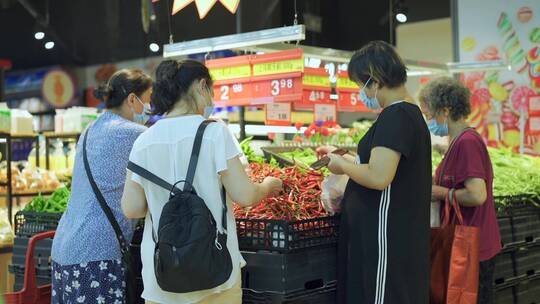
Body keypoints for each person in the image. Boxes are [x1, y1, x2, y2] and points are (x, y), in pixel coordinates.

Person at [120, 59, 283, 304]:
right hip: (215, 273)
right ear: (201, 86)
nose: (211, 100)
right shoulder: (215, 132)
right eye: (211, 91)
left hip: (163, 275)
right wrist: (269, 186)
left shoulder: (144, 140)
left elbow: (131, 208)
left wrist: (160, 199)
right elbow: (245, 195)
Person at [319, 40, 432, 304]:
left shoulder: (397, 116)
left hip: (386, 238)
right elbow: (381, 164)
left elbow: (380, 177)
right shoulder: (406, 114)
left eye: (361, 84)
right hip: (395, 236)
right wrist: (350, 157)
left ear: (376, 80)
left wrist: (342, 166)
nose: (361, 91)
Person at [51, 69, 153, 303]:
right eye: (148, 98)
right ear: (131, 99)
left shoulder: (90, 130)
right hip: (96, 251)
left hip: (66, 245)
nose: (150, 106)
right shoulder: (134, 133)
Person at [419, 76, 501, 304]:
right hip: (463, 245)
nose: (428, 120)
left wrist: (441, 193)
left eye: (429, 115)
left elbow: (477, 194)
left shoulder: (467, 142)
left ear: (445, 110)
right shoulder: (457, 142)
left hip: (474, 246)